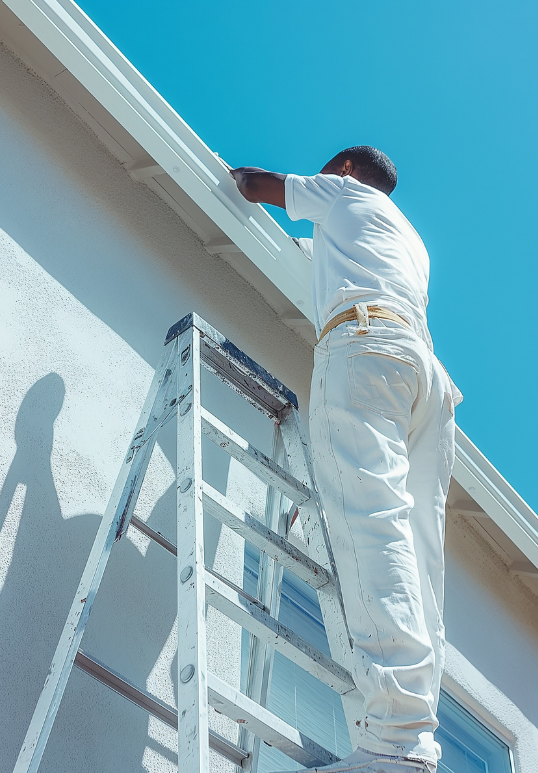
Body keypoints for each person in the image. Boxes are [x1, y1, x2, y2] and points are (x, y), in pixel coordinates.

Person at [231, 147, 462, 773]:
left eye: (330, 168)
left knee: (369, 521)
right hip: (425, 377)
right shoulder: (409, 242)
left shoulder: (344, 195)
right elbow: (319, 260)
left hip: (366, 345)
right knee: (415, 554)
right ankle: (415, 736)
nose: (323, 175)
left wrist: (239, 174)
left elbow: (256, 185)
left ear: (349, 172)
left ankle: (395, 743)